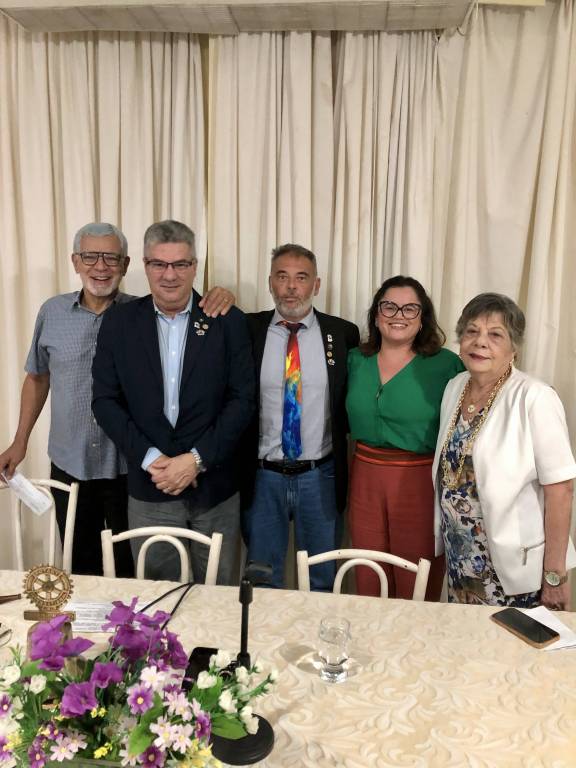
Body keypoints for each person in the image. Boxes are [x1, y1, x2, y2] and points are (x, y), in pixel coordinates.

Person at [0, 222, 235, 576]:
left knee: (131, 572)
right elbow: (37, 377)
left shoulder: (141, 313)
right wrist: (20, 441)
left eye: (111, 258)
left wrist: (219, 296)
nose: (101, 267)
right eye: (90, 257)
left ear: (126, 265)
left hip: (130, 467)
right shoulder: (52, 312)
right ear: (75, 261)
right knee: (80, 569)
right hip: (72, 462)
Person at [92, 219, 255, 584]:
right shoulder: (119, 322)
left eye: (180, 264)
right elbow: (104, 401)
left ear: (194, 266)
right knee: (157, 600)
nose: (169, 275)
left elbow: (243, 401)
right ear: (144, 265)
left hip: (215, 490)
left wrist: (196, 460)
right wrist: (153, 459)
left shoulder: (228, 322)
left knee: (219, 598)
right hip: (151, 487)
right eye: (159, 264)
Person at [432, 293, 576, 609]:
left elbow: (561, 489)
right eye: (471, 331)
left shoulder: (535, 397)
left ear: (514, 348)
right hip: (461, 562)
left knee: (511, 642)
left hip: (513, 570)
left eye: (495, 334)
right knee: (465, 638)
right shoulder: (455, 387)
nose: (480, 342)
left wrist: (554, 575)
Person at [241, 244, 359, 590]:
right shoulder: (247, 329)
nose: (291, 287)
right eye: (282, 277)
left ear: (316, 285)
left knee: (321, 580)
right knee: (262, 579)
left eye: (301, 277)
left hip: (319, 476)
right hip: (263, 477)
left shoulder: (343, 333)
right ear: (270, 283)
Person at [346, 276, 464, 599]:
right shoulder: (355, 359)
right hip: (364, 479)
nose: (399, 315)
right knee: (368, 573)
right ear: (376, 314)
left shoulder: (446, 365)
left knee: (417, 579)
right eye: (389, 306)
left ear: (422, 317)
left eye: (410, 308)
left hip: (419, 482)